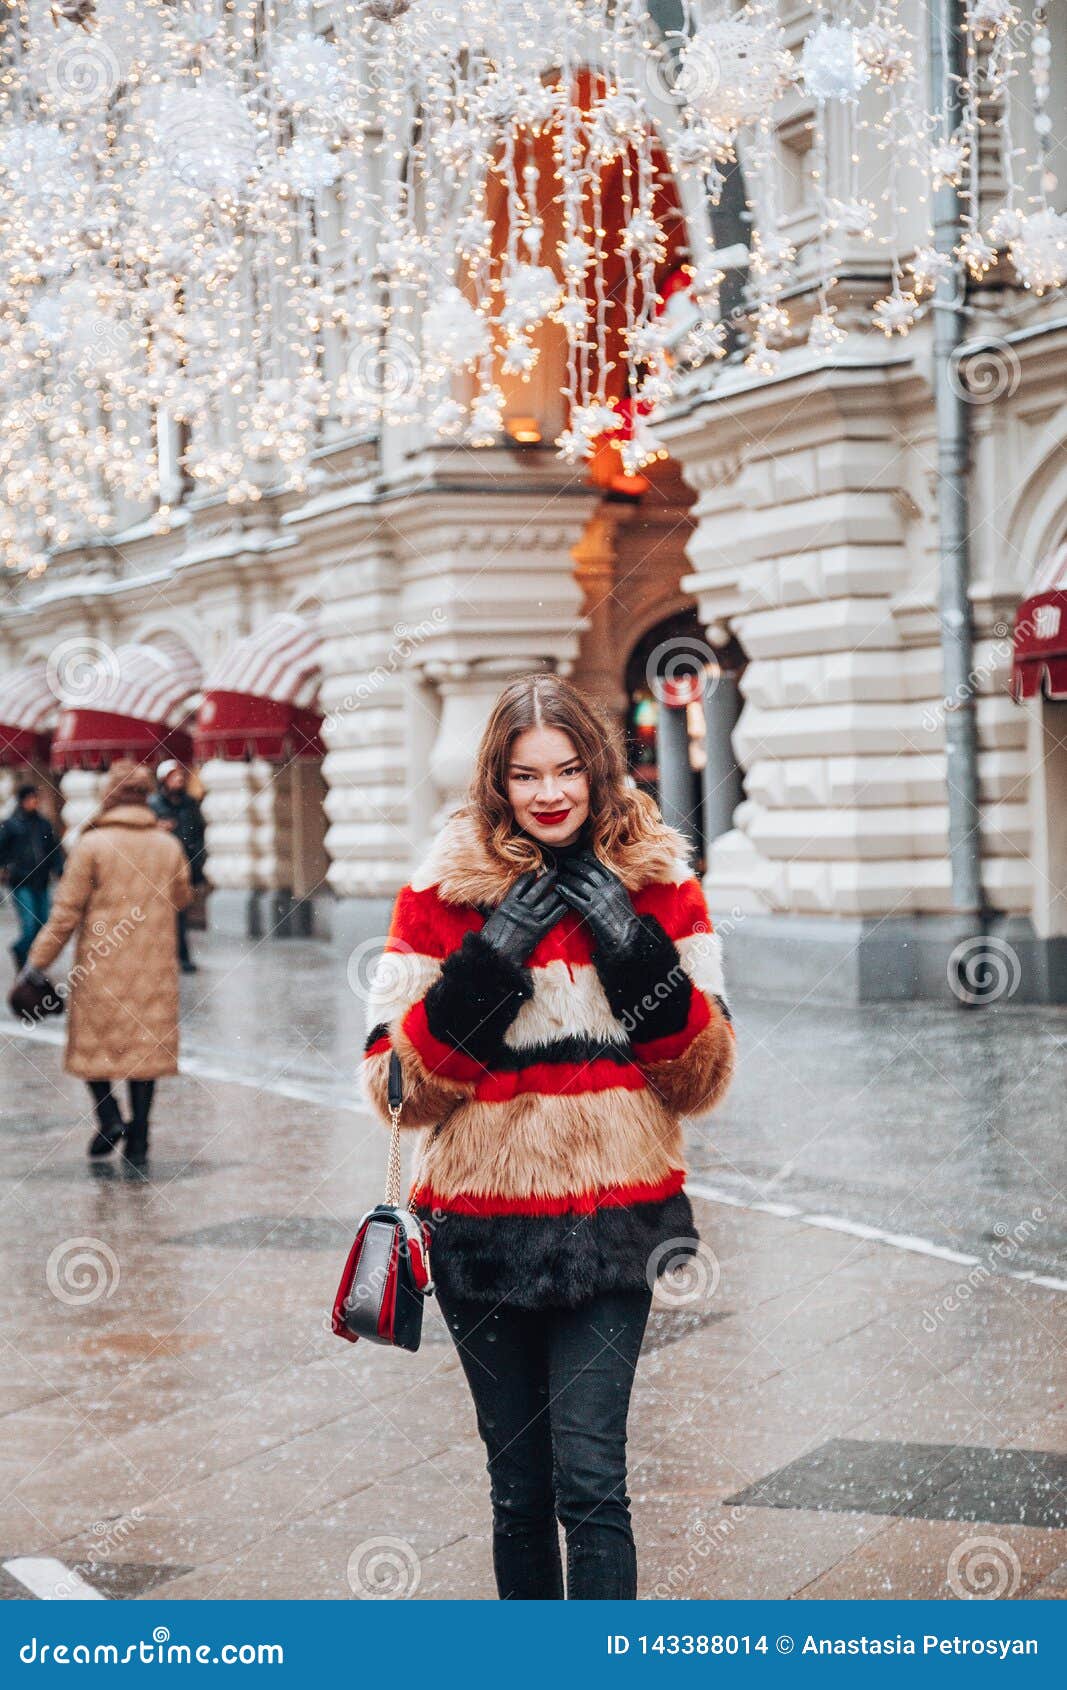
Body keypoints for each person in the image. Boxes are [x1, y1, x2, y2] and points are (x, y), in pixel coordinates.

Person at [361, 674, 736, 1601]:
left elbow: (700, 1076)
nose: (551, 793)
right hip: (480, 1235)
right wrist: (484, 971)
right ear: (497, 782)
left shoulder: (657, 879)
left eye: (568, 769)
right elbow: (395, 1088)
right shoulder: (441, 889)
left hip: (615, 1227)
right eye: (527, 776)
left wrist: (628, 940)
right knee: (519, 1493)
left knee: (592, 1485)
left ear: (598, 769)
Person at [22, 760, 192, 1167]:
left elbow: (65, 913)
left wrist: (36, 962)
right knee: (144, 1056)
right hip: (154, 969)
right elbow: (183, 895)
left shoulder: (92, 845)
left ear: (110, 796)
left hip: (100, 966)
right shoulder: (167, 845)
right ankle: (140, 1138)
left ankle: (109, 1115)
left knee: (92, 1048)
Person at [148, 759, 206, 973]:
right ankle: (165, 956)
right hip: (161, 869)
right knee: (163, 916)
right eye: (174, 776)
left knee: (181, 914)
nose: (179, 780)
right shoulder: (153, 805)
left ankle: (181, 956)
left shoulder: (190, 804)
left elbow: (199, 834)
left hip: (186, 867)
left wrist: (198, 861)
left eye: (182, 776)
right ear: (164, 780)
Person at [0, 782, 64, 970]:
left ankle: (33, 962)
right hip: (21, 882)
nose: (34, 802)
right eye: (31, 798)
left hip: (41, 881)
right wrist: (8, 867)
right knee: (29, 925)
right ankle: (21, 951)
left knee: (42, 923)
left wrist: (59, 869)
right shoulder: (10, 825)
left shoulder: (43, 824)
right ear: (22, 801)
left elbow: (54, 850)